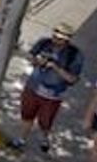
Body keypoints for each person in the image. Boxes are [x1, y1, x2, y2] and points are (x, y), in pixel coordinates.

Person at [11, 24, 84, 153]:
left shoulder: (75, 55)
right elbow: (31, 56)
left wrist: (55, 67)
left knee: (45, 121)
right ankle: (21, 139)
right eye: (55, 37)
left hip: (52, 95)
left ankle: (45, 138)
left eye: (60, 39)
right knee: (27, 116)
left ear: (67, 40)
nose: (56, 41)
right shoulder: (44, 43)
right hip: (33, 87)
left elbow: (72, 79)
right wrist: (36, 60)